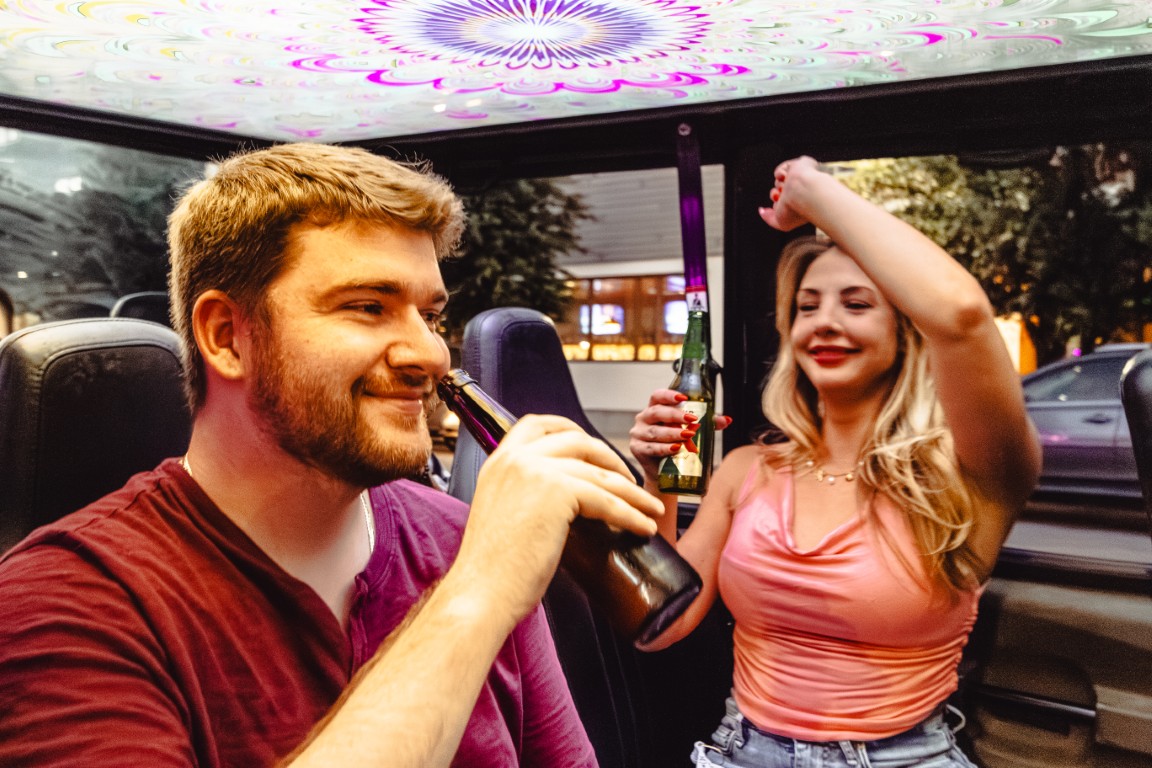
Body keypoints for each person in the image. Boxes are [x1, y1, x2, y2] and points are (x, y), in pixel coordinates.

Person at [0, 143, 663, 767]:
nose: (431, 355)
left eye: (431, 316)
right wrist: (479, 591)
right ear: (227, 335)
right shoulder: (64, 606)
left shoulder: (461, 537)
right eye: (369, 307)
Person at [630, 156, 1041, 767]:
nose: (824, 322)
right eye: (806, 305)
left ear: (905, 330)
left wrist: (816, 193)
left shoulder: (968, 475)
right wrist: (657, 479)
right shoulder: (748, 470)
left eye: (855, 304)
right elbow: (658, 627)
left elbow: (961, 317)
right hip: (741, 752)